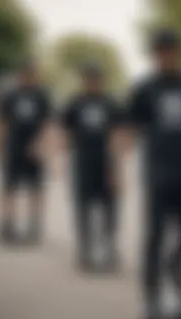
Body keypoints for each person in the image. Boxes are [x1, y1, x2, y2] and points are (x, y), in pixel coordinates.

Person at [118, 28, 181, 319]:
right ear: (154, 54)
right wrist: (117, 168)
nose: (165, 55)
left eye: (170, 49)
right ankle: (151, 302)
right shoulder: (143, 88)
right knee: (155, 237)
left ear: (178, 51)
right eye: (160, 50)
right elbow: (128, 129)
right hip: (158, 173)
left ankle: (177, 272)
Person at [61, 62, 123, 273]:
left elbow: (117, 136)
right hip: (83, 163)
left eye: (96, 78)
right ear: (84, 80)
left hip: (107, 163)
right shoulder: (75, 103)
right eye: (89, 78)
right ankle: (85, 250)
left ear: (101, 81)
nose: (93, 82)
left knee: (109, 208)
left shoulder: (110, 104)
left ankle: (109, 248)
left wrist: (117, 169)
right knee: (83, 207)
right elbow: (65, 132)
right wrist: (63, 160)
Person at [0, 61, 51, 244]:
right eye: (24, 73)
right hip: (14, 147)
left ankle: (34, 225)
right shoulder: (10, 96)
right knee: (9, 187)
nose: (28, 77)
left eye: (31, 73)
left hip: (34, 149)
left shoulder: (41, 96)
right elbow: (2, 123)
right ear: (19, 75)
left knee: (35, 189)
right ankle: (7, 224)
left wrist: (41, 144)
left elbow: (47, 124)